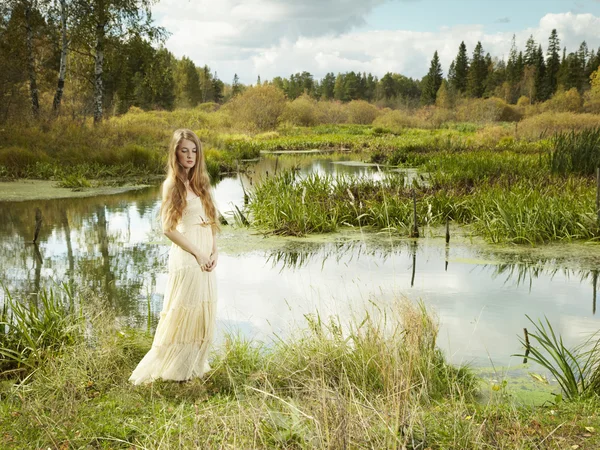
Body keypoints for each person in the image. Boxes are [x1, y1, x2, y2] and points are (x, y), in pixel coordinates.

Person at [129, 129, 219, 385]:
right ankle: (174, 371)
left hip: (206, 255)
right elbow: (168, 229)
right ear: (176, 154)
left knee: (203, 310)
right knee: (184, 311)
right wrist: (199, 253)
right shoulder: (171, 185)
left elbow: (211, 220)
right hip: (188, 255)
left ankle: (192, 367)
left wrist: (214, 251)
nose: (190, 156)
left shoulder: (202, 182)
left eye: (194, 150)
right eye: (184, 150)